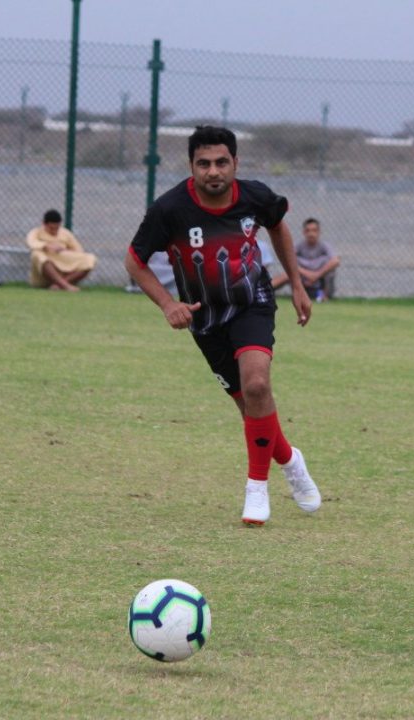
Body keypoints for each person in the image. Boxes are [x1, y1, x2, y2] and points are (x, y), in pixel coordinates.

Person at [124, 125, 321, 526]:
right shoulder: (169, 209)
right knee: (250, 407)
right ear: (191, 166)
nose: (213, 171)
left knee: (257, 385)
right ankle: (290, 460)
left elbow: (278, 227)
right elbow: (134, 261)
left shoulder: (255, 196)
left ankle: (256, 490)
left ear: (235, 163)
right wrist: (167, 304)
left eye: (221, 162)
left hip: (252, 302)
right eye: (203, 164)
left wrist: (297, 284)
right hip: (205, 318)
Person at [25, 209, 97, 291]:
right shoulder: (36, 232)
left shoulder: (65, 234)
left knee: (89, 258)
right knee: (37, 254)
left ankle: (59, 285)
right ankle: (65, 286)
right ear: (44, 224)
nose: (54, 231)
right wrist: (47, 246)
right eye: (51, 228)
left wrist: (64, 250)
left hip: (62, 265)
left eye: (57, 228)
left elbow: (79, 251)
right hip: (43, 273)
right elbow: (31, 243)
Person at [271, 218, 340, 300]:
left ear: (319, 232)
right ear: (304, 232)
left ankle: (325, 295)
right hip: (303, 281)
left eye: (314, 230)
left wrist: (316, 275)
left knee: (330, 270)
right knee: (287, 273)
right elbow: (286, 259)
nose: (311, 234)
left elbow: (336, 261)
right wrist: (307, 274)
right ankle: (266, 290)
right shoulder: (299, 246)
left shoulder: (325, 246)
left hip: (319, 282)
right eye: (308, 230)